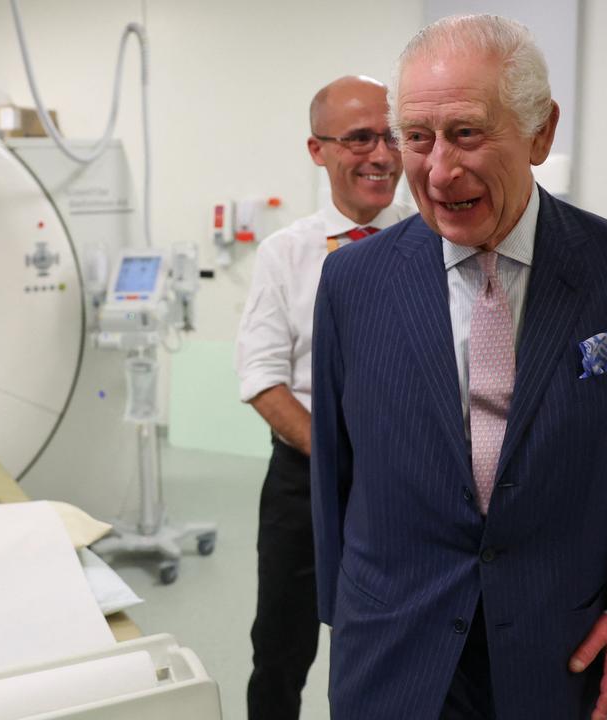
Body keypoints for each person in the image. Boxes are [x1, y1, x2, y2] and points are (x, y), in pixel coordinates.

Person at [310, 16, 607, 720]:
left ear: (541, 133)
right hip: (392, 649)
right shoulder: (353, 282)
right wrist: (347, 621)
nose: (437, 171)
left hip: (561, 648)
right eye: (418, 138)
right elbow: (332, 475)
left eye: (466, 133)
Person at [235, 75, 416, 719]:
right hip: (305, 478)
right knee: (280, 648)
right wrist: (337, 455)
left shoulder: (432, 243)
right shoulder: (288, 253)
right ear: (318, 150)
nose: (382, 154)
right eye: (360, 138)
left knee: (392, 645)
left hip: (406, 483)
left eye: (392, 136)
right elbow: (260, 376)